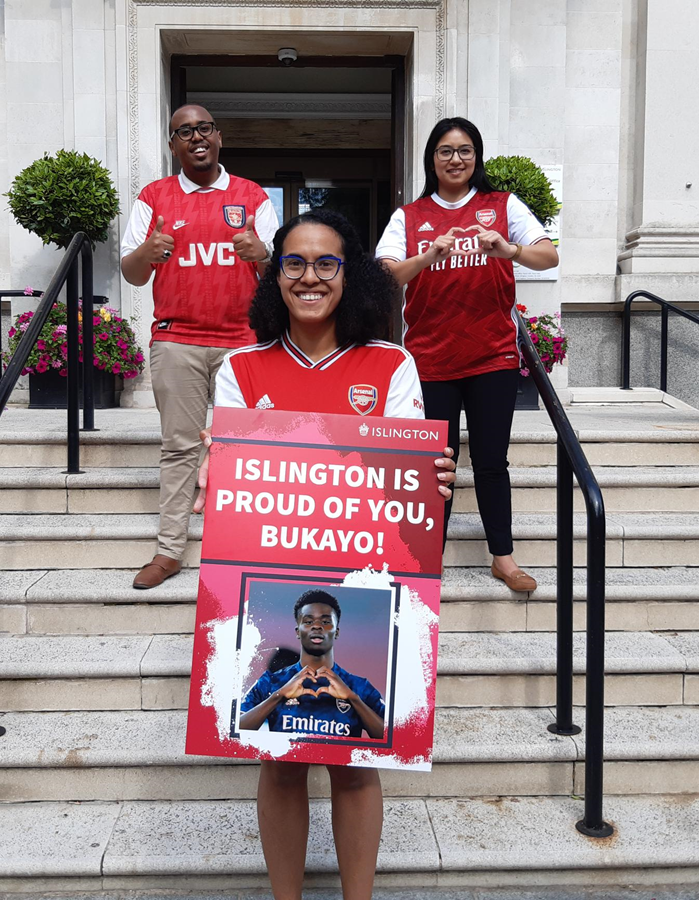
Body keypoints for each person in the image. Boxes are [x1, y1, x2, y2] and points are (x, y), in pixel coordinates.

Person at [194, 208, 456, 900]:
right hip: (268, 581)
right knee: (279, 759)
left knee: (354, 759)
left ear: (351, 275)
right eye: (294, 263)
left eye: (326, 263)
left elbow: (405, 477)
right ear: (275, 275)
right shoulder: (240, 369)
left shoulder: (390, 363)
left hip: (365, 580)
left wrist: (429, 477)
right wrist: (212, 475)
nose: (309, 276)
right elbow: (229, 467)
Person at [375, 117, 559, 593]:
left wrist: (509, 248)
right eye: (445, 150)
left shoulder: (501, 206)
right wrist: (427, 258)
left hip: (491, 358)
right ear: (431, 159)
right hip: (431, 360)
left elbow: (548, 256)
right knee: (435, 463)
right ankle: (425, 559)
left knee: (492, 461)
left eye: (464, 150)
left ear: (476, 156)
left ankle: (504, 557)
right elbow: (387, 276)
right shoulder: (410, 216)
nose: (455, 159)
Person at [120, 104, 280, 589]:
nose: (196, 137)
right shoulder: (155, 196)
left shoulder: (251, 196)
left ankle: (253, 550)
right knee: (180, 449)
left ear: (219, 136)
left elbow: (283, 271)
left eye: (204, 128)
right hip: (177, 341)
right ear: (173, 144)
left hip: (243, 343)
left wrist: (265, 256)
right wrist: (145, 254)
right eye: (183, 131)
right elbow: (132, 270)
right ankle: (169, 551)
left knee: (250, 450)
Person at [240, 590, 385, 740]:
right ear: (298, 631)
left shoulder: (360, 687)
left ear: (337, 632)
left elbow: (397, 741)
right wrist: (279, 695)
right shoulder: (270, 682)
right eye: (308, 621)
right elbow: (231, 733)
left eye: (326, 622)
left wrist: (353, 699)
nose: (317, 626)